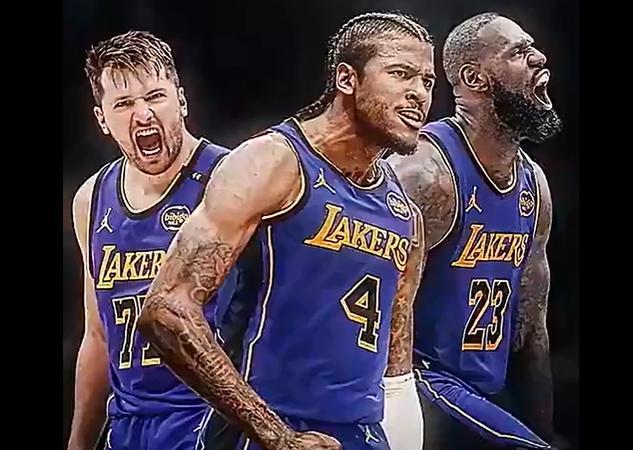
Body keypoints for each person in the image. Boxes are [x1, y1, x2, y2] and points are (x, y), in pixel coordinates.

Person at [137, 12, 435, 450]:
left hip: (362, 433)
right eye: (401, 74)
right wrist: (278, 437)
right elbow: (166, 310)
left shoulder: (405, 213)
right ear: (347, 79)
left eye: (428, 81)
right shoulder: (272, 162)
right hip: (263, 430)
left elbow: (396, 368)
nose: (419, 93)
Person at [388, 12, 563, 450]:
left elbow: (530, 328)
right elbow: (371, 310)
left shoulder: (534, 185)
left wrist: (543, 432)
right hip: (420, 381)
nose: (539, 58)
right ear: (474, 78)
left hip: (484, 388)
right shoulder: (425, 175)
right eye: (519, 52)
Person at [67, 30, 235, 450]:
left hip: (209, 421)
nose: (142, 113)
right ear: (102, 119)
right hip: (129, 426)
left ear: (181, 100)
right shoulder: (91, 198)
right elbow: (98, 337)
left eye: (155, 96)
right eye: (124, 103)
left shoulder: (233, 178)